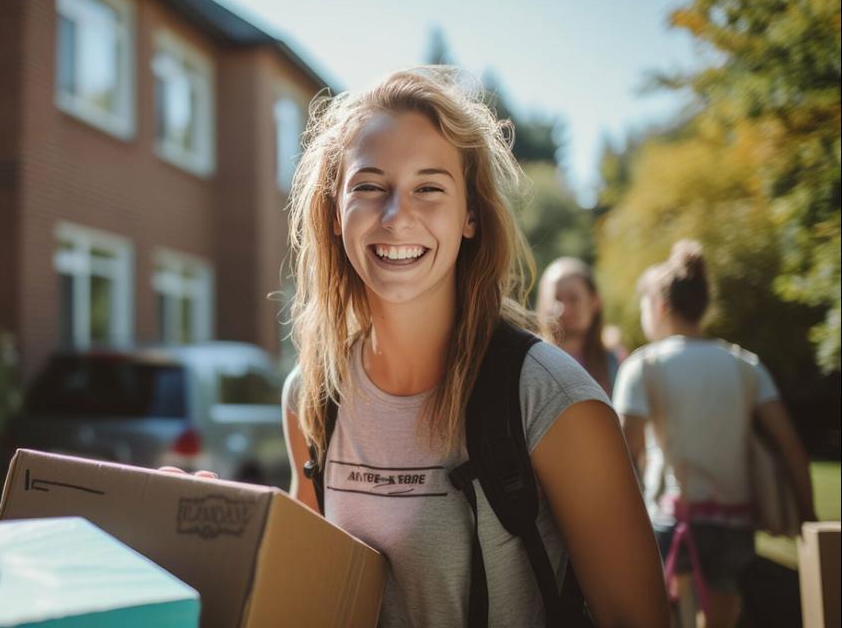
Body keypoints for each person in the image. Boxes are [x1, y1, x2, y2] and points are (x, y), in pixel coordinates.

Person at [280, 66, 668, 627]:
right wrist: (216, 535)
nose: (396, 216)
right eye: (368, 186)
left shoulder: (551, 401)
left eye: (429, 187)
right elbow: (303, 594)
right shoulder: (312, 394)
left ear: (469, 215)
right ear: (333, 210)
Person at [612, 240, 816, 628]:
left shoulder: (644, 365)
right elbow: (790, 447)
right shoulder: (744, 365)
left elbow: (623, 451)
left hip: (672, 525)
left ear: (660, 307)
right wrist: (807, 518)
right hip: (733, 528)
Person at [537, 257, 619, 395]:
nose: (564, 309)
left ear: (595, 301)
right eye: (556, 298)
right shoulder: (534, 362)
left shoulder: (611, 362)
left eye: (573, 299)